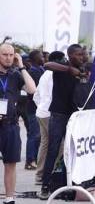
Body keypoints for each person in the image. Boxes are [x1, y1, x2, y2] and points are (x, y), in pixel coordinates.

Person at [40, 44, 88, 198]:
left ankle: (73, 183)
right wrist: (68, 69)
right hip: (59, 114)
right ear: (70, 55)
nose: (81, 57)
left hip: (75, 115)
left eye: (82, 54)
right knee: (53, 149)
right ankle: (45, 186)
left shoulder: (82, 69)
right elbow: (47, 64)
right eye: (78, 54)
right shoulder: (62, 66)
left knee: (74, 150)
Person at [0, 43, 36, 204]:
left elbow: (32, 89)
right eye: (4, 54)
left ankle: (9, 202)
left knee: (11, 164)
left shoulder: (15, 74)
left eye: (11, 55)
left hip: (10, 125)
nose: (8, 58)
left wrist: (21, 65)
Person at [33, 51, 64, 185]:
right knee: (58, 145)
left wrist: (41, 107)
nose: (65, 61)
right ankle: (49, 174)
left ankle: (40, 175)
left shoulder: (45, 74)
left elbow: (36, 96)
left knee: (45, 144)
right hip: (50, 114)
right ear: (57, 61)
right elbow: (54, 96)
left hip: (41, 112)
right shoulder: (54, 75)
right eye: (63, 59)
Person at [24, 50, 45, 170]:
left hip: (40, 108)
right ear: (35, 59)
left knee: (38, 135)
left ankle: (35, 159)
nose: (43, 58)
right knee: (34, 135)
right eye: (41, 56)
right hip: (33, 108)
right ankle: (30, 160)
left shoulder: (41, 70)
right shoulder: (32, 72)